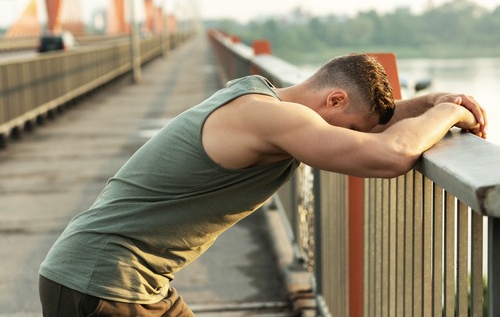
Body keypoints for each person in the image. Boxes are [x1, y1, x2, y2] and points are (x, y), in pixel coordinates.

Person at [38, 53, 487, 316]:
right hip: (103, 281)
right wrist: (451, 114)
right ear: (334, 99)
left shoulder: (263, 99)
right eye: (349, 126)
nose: (348, 139)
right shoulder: (270, 116)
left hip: (123, 278)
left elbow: (374, 132)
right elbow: (388, 154)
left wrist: (429, 102)